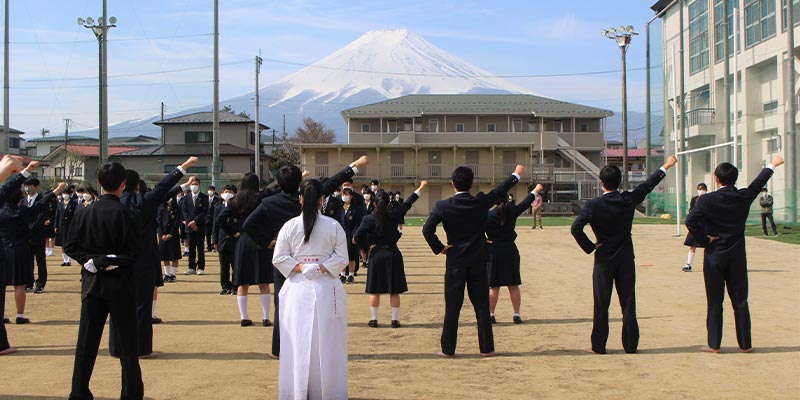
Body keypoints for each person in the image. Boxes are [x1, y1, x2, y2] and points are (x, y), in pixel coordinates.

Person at [244, 156, 366, 359]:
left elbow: (248, 224)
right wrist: (354, 166)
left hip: (286, 261)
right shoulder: (308, 197)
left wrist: (267, 242)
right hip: (315, 262)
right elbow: (332, 181)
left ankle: (280, 348)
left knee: (282, 304)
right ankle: (313, 346)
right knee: (314, 306)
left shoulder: (269, 202)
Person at [570, 155, 676, 355]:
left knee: (602, 303)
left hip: (603, 259)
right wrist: (665, 166)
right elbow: (647, 185)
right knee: (628, 301)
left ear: (600, 182)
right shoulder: (628, 199)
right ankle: (630, 345)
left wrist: (591, 246)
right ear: (620, 182)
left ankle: (599, 346)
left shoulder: (593, 205)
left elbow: (576, 228)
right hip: (626, 258)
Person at [422, 164, 524, 357]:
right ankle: (486, 348)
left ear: (452, 184)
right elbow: (499, 191)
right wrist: (515, 175)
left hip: (455, 262)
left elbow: (427, 229)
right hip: (478, 260)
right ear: (471, 184)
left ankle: (448, 349)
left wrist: (440, 247)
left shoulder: (443, 206)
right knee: (481, 307)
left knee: (452, 307)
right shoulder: (480, 202)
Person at [686, 155, 784, 353]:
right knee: (740, 301)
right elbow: (759, 182)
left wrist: (704, 240)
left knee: (715, 302)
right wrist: (772, 164)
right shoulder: (743, 196)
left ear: (716, 178)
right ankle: (745, 345)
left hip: (714, 255)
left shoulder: (706, 200)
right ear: (735, 179)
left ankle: (714, 344)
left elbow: (690, 221)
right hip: (737, 255)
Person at [65, 161, 144, 399]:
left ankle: (78, 392)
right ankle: (130, 394)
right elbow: (134, 253)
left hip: (92, 285)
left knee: (86, 344)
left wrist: (91, 261)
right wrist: (111, 260)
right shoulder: (127, 214)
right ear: (123, 184)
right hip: (121, 285)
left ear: (99, 183)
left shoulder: (84, 211)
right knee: (128, 346)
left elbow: (70, 246)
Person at [109, 159, 195, 360]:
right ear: (136, 185)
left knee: (117, 304)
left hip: (117, 260)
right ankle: (142, 348)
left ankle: (116, 347)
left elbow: (163, 191)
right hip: (143, 259)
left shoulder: (111, 203)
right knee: (142, 305)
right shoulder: (145, 202)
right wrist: (182, 167)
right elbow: (162, 189)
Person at [272, 178, 350, 400]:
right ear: (322, 200)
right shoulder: (333, 226)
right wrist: (321, 267)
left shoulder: (289, 226)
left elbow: (279, 258)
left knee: (297, 341)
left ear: (300, 199)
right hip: (325, 287)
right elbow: (343, 258)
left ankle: (297, 392)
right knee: (327, 342)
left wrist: (300, 266)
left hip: (298, 286)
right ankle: (329, 392)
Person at [355, 181, 425, 328]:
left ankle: (374, 319)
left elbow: (356, 237)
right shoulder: (395, 214)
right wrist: (420, 188)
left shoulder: (368, 219)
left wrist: (366, 248)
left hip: (376, 255)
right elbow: (408, 203)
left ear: (374, 203)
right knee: (394, 290)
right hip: (393, 254)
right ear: (388, 203)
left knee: (375, 290)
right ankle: (394, 320)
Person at [219, 173, 275, 326]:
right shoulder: (262, 198)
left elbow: (220, 219)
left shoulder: (235, 201)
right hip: (261, 240)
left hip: (243, 240)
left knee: (242, 282)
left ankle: (244, 317)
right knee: (263, 282)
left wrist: (233, 232)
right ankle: (265, 318)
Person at [1, 161, 51, 326]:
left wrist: (25, 171)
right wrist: (55, 192)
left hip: (3, 250)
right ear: (19, 201)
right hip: (20, 250)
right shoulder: (22, 213)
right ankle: (20, 314)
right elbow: (39, 206)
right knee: (19, 285)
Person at [486, 184, 543, 324]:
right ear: (507, 200)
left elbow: (476, 230)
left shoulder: (488, 216)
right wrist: (535, 191)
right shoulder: (512, 212)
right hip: (510, 250)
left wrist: (484, 241)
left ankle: (491, 314)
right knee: (513, 285)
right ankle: (516, 314)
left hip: (494, 251)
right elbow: (525, 203)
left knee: (494, 286)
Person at [22, 177, 53, 294]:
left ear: (37, 187)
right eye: (25, 186)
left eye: (29, 186)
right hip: (26, 238)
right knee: (27, 261)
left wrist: (30, 228)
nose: (27, 189)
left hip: (38, 236)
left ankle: (40, 284)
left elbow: (42, 217)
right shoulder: (24, 201)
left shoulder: (42, 200)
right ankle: (29, 283)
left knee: (40, 261)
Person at [212, 184, 237, 295]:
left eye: (230, 191)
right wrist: (214, 241)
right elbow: (215, 225)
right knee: (224, 266)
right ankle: (225, 286)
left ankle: (235, 286)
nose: (228, 193)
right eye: (226, 191)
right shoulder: (218, 208)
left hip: (235, 240)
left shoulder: (238, 207)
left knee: (235, 265)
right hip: (222, 240)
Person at [180, 178, 209, 275]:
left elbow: (205, 212)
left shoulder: (204, 197)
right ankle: (191, 267)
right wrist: (190, 222)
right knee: (191, 248)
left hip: (200, 227)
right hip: (189, 227)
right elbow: (184, 211)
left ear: (199, 185)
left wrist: (196, 221)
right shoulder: (186, 198)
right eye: (192, 184)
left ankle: (201, 267)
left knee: (200, 248)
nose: (194, 186)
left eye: (195, 184)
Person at [682, 183, 708, 272]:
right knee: (692, 246)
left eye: (703, 189)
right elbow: (691, 211)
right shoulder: (694, 199)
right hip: (696, 226)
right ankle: (688, 264)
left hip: (705, 225)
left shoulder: (709, 199)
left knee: (709, 246)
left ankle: (710, 265)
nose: (702, 190)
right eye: (700, 189)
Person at [158, 196, 183, 283]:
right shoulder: (161, 207)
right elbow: (158, 221)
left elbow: (177, 223)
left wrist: (171, 234)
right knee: (165, 256)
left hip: (173, 236)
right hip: (163, 236)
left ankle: (173, 275)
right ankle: (167, 274)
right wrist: (161, 234)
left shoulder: (177, 208)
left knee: (174, 256)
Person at [55, 185, 78, 267]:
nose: (65, 195)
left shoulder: (74, 203)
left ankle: (69, 260)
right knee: (62, 243)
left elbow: (75, 215)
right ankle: (65, 260)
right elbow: (57, 215)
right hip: (61, 226)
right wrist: (55, 226)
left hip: (70, 225)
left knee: (68, 243)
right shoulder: (60, 204)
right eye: (63, 193)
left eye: (66, 193)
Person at [205, 185, 220, 252]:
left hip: (214, 219)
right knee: (207, 234)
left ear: (214, 191)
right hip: (206, 220)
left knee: (214, 233)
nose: (210, 191)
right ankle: (209, 246)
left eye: (211, 190)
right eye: (209, 190)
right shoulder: (205, 199)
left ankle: (214, 245)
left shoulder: (217, 199)